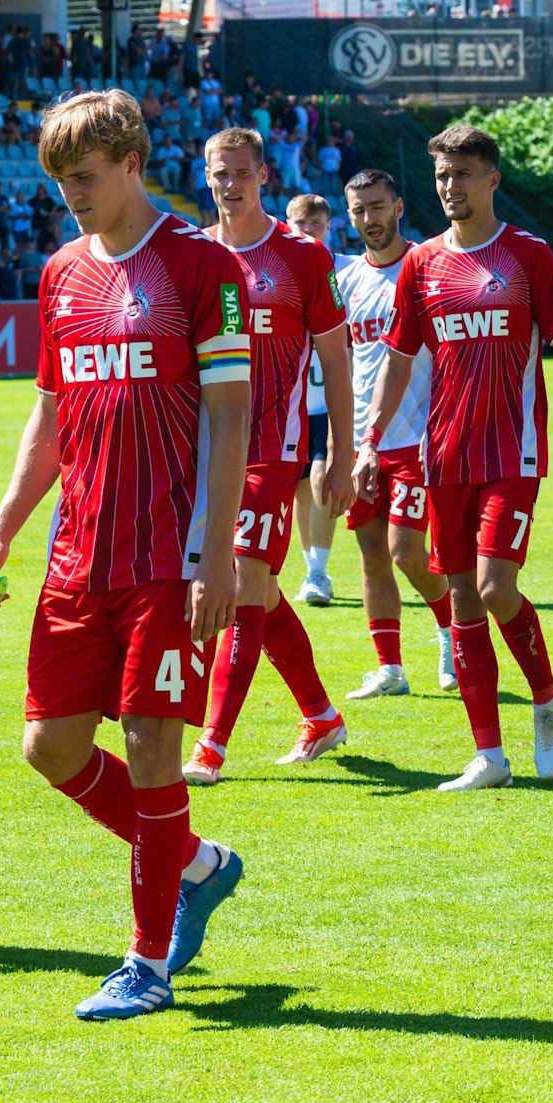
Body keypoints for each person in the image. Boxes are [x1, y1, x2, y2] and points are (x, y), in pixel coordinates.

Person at [0, 90, 248, 1020]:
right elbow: (50, 415)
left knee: (153, 745)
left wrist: (216, 554)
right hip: (78, 554)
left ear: (131, 162)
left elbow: (231, 414)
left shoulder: (200, 266)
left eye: (83, 178)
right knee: (50, 747)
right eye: (59, 182)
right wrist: (1, 528)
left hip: (168, 555)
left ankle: (148, 961)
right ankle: (198, 864)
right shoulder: (59, 276)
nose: (71, 196)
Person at [359, 124, 553, 791]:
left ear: (492, 179)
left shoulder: (528, 255)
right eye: (442, 176)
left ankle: (548, 702)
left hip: (513, 454)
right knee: (465, 598)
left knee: (497, 587)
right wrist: (368, 439)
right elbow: (398, 360)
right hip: (444, 455)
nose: (450, 187)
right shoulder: (421, 264)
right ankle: (489, 756)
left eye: (462, 174)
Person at [183, 128, 355, 787]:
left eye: (242, 173)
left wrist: (337, 449)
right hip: (205, 449)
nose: (230, 183)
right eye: (219, 173)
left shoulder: (303, 258)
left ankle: (212, 745)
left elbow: (335, 358)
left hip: (273, 448)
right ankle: (320, 714)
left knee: (244, 581)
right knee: (260, 590)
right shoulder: (194, 256)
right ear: (207, 176)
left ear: (264, 176)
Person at [335, 169, 455, 700]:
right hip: (366, 441)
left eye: (378, 206)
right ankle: (390, 669)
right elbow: (344, 362)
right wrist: (343, 444)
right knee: (370, 553)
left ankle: (453, 631)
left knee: (407, 552)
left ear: (399, 206)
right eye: (359, 210)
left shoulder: (427, 265)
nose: (370, 218)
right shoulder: (347, 281)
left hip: (420, 437)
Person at [285, 193, 340, 609]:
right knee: (303, 490)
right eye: (301, 226)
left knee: (320, 482)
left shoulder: (343, 270)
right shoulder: (281, 272)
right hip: (292, 404)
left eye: (316, 226)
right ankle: (312, 569)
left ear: (328, 227)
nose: (308, 234)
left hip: (327, 403)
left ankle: (318, 572)